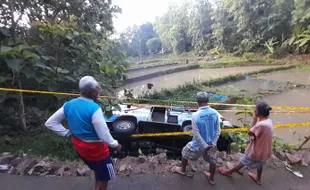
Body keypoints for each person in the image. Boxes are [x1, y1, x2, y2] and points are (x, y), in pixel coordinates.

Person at [45, 76, 121, 190]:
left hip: (80, 147)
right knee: (105, 176)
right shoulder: (94, 108)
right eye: (97, 90)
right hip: (96, 150)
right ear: (93, 92)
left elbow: (50, 123)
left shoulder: (69, 104)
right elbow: (103, 134)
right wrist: (115, 144)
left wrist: (67, 133)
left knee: (97, 169)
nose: (98, 92)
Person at [172, 92, 221, 185]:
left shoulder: (195, 115)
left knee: (185, 153)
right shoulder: (215, 113)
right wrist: (213, 143)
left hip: (198, 144)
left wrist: (204, 146)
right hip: (212, 144)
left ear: (197, 101)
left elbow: (197, 134)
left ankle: (182, 169)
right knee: (213, 161)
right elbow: (218, 130)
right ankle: (211, 178)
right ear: (208, 100)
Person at [219, 103, 273, 185]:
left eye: (255, 109)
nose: (254, 111)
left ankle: (229, 172)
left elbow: (250, 133)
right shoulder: (268, 121)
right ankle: (258, 179)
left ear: (258, 112)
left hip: (257, 150)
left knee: (244, 161)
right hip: (264, 150)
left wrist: (254, 119)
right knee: (261, 163)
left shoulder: (261, 125)